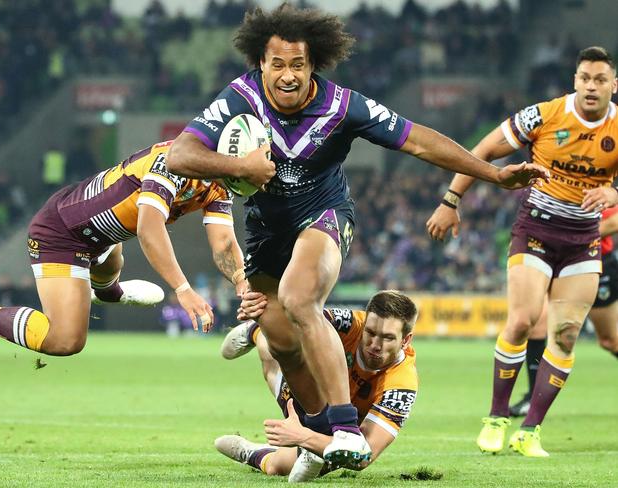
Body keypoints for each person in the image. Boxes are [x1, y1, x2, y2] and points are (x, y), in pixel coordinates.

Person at [165, 3, 547, 467]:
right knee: (284, 344)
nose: (288, 75)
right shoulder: (240, 97)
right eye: (278, 64)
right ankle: (319, 437)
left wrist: (493, 175)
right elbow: (182, 155)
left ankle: (346, 430)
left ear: (314, 64)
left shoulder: (345, 106)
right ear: (260, 63)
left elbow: (420, 141)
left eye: (298, 65)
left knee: (300, 297)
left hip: (325, 216)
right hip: (265, 232)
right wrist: (241, 167)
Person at [426, 46, 618, 457]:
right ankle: (496, 418)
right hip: (536, 231)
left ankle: (530, 431)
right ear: (575, 81)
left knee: (565, 336)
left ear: (612, 86)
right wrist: (451, 199)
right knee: (521, 321)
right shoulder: (545, 115)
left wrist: (613, 190)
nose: (591, 86)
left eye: (600, 80)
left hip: (583, 241)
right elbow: (484, 151)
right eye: (585, 77)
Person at [0, 140, 248, 355]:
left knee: (113, 259)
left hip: (101, 237)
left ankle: (106, 291)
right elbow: (149, 230)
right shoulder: (173, 162)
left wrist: (241, 281)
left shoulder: (217, 182)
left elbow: (224, 241)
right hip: (62, 234)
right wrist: (183, 289)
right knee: (65, 341)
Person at [215, 290, 418, 482]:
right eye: (371, 333)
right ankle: (257, 331)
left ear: (405, 340)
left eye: (388, 338)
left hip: (340, 432)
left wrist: (303, 437)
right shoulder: (349, 324)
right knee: (275, 349)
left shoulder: (402, 384)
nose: (375, 344)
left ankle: (252, 453)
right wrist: (264, 315)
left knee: (278, 467)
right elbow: (296, 318)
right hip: (311, 391)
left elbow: (364, 456)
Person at [510, 206, 618, 416]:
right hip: (548, 254)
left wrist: (572, 237)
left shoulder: (602, 181)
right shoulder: (559, 181)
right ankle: (533, 398)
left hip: (591, 259)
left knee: (610, 340)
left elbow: (614, 223)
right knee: (535, 324)